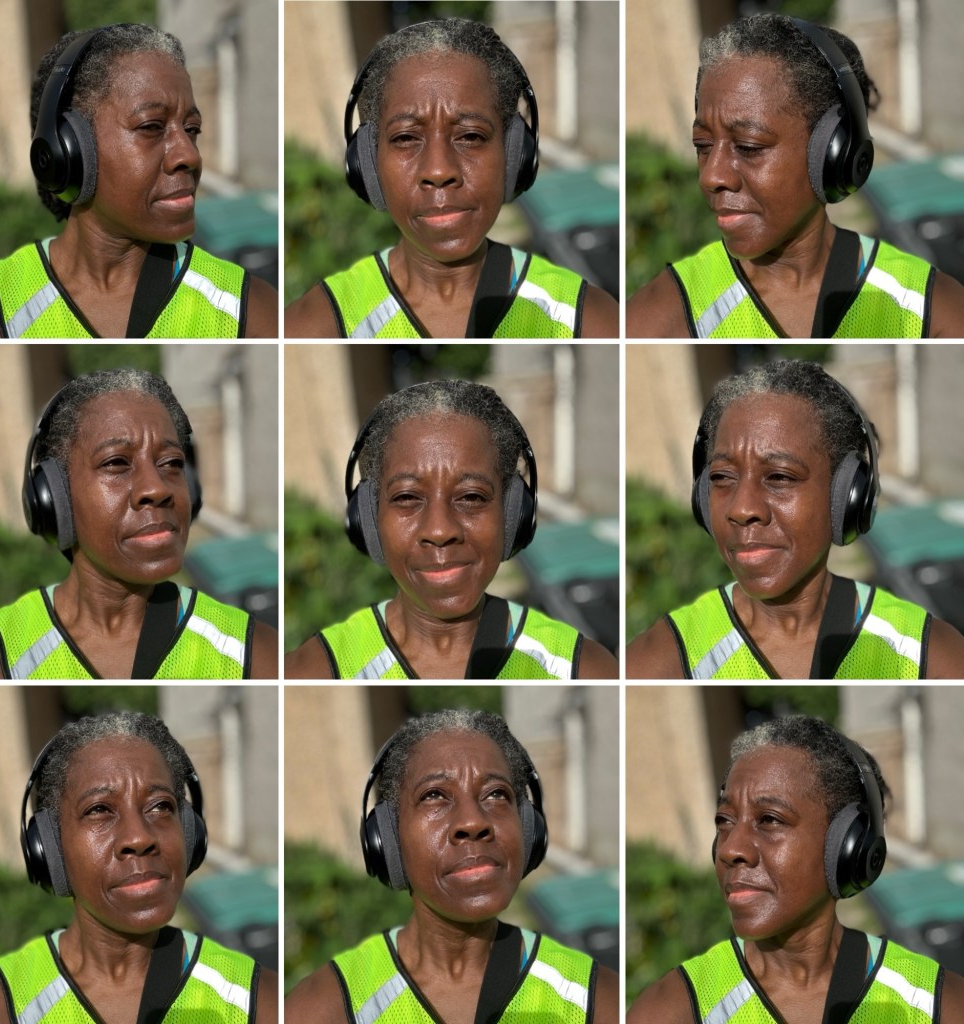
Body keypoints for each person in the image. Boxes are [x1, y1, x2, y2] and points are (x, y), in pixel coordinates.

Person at [626, 13, 964, 338]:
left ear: (834, 154)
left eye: (748, 146)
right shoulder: (664, 316)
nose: (711, 176)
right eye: (702, 144)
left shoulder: (927, 311)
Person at [626, 360, 964, 678]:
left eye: (780, 477)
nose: (742, 509)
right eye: (722, 477)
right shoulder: (663, 662)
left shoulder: (926, 655)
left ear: (846, 497)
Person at [284, 18, 619, 339]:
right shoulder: (316, 325)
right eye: (405, 138)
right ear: (368, 164)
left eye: (471, 136)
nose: (439, 171)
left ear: (516, 155)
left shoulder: (586, 319)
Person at [0, 23, 277, 338]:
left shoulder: (249, 312)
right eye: (151, 127)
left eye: (192, 130)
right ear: (67, 151)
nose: (189, 155)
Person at [0, 711, 278, 1023]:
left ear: (190, 834)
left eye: (161, 806)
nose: (138, 837)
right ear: (50, 848)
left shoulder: (257, 1002)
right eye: (99, 809)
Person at [0, 369, 278, 679]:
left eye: (172, 463)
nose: (157, 488)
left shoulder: (253, 655)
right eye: (116, 462)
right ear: (54, 500)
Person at [286, 709, 618, 1022]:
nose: (473, 821)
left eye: (496, 794)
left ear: (529, 829)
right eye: (434, 795)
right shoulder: (327, 1008)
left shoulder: (595, 1001)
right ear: (386, 839)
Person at [627, 714, 964, 1023]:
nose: (731, 848)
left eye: (770, 820)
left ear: (847, 847)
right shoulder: (675, 1010)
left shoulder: (934, 1004)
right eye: (724, 821)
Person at [284, 380, 619, 679]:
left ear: (513, 514)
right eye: (406, 497)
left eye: (471, 496)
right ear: (369, 519)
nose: (440, 530)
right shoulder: (316, 671)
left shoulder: (580, 668)